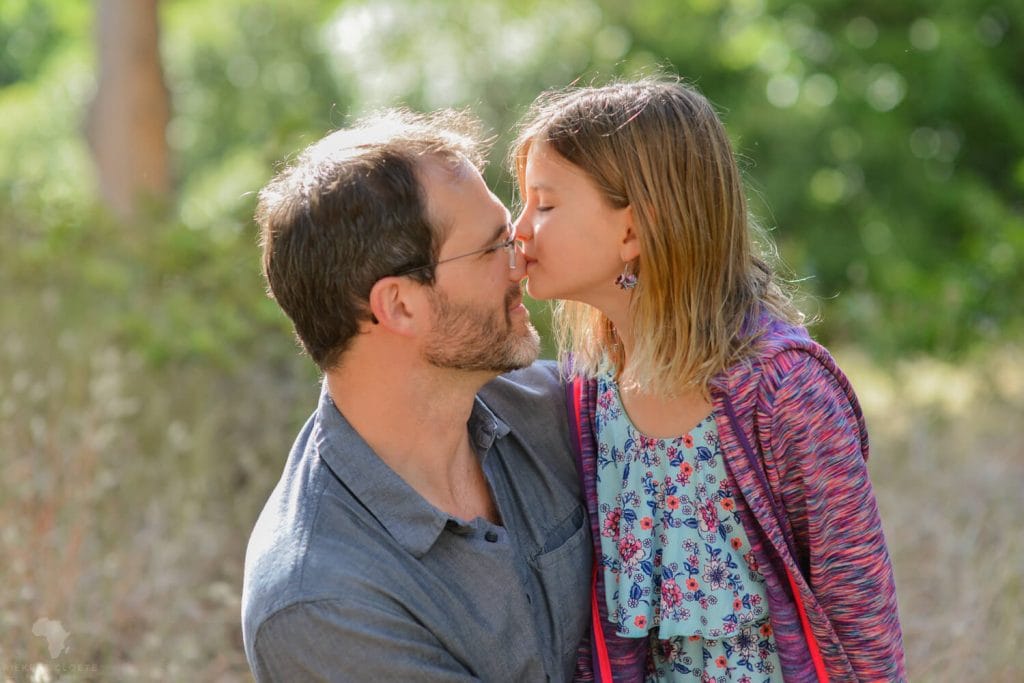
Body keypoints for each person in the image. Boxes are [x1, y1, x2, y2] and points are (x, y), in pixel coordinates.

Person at [512, 78, 906, 681]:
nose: (520, 228)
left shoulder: (784, 390)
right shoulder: (591, 393)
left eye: (544, 203)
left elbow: (860, 605)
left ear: (633, 232)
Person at [241, 109, 591, 682]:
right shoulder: (321, 602)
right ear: (400, 304)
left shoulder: (558, 408)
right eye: (492, 247)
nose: (521, 262)